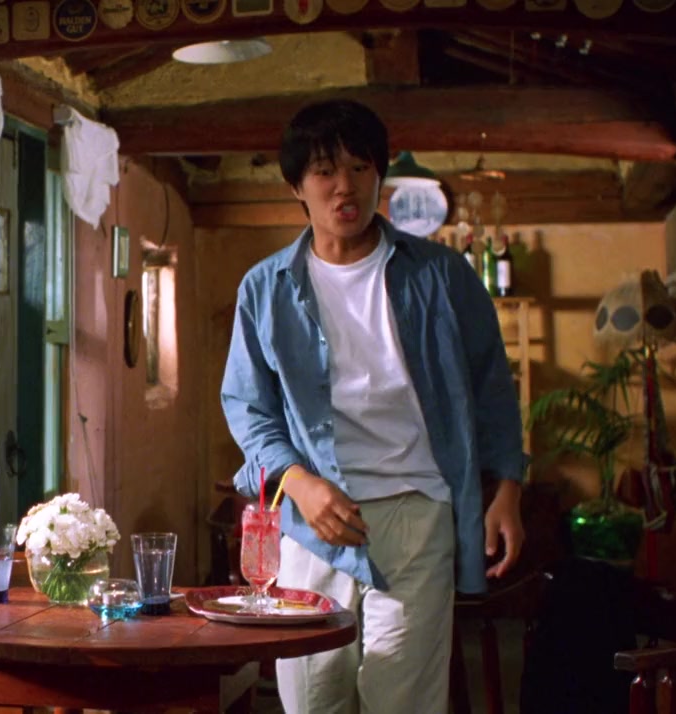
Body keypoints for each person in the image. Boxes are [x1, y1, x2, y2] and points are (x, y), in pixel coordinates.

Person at [220, 99, 526, 714]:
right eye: (324, 172)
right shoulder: (265, 287)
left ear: (379, 175)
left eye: (360, 168)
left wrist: (509, 491)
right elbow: (249, 408)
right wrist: (299, 481)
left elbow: (492, 384)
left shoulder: (441, 275)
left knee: (401, 702)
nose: (345, 187)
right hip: (314, 521)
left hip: (417, 511)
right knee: (315, 700)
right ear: (297, 187)